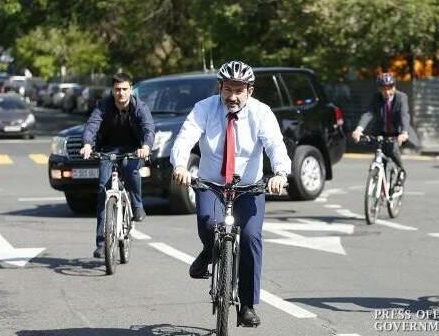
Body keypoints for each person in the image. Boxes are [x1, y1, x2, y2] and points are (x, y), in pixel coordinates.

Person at [170, 60, 291, 327]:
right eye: (228, 89)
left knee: (250, 237)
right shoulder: (204, 109)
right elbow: (186, 137)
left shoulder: (262, 113)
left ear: (250, 90)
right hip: (212, 184)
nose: (232, 97)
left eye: (239, 90)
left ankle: (246, 305)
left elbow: (274, 144)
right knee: (208, 223)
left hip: (250, 188)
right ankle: (208, 252)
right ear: (220, 87)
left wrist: (280, 174)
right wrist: (180, 165)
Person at [80, 72, 155, 258]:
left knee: (131, 171)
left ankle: (137, 205)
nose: (121, 93)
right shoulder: (103, 106)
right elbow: (92, 125)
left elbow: (148, 128)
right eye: (117, 89)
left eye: (124, 89)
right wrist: (87, 144)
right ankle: (102, 242)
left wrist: (145, 146)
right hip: (108, 149)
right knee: (102, 190)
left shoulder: (140, 107)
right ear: (112, 90)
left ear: (131, 89)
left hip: (133, 149)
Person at [351, 72, 410, 185]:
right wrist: (359, 130)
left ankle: (401, 172)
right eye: (383, 89)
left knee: (393, 151)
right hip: (380, 132)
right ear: (379, 89)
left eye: (389, 88)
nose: (386, 92)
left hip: (396, 134)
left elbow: (404, 115)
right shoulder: (376, 98)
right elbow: (368, 113)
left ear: (394, 87)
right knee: (380, 158)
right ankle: (380, 187)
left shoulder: (401, 97)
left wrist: (404, 132)